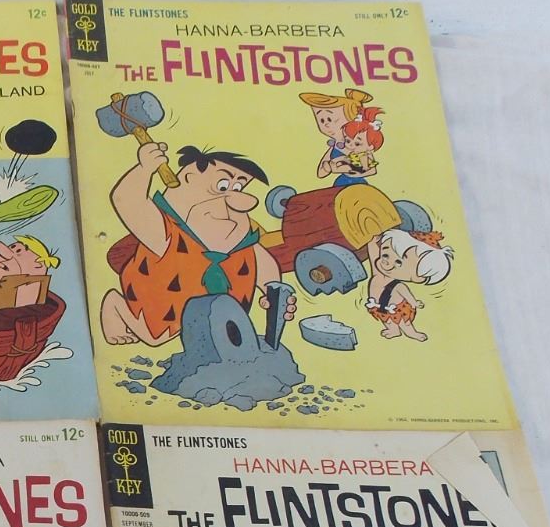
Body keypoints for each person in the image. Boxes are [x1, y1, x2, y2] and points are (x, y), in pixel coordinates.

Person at [100, 144, 294, 347]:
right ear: (188, 177)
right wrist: (144, 169)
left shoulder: (242, 240)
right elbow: (127, 201)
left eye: (238, 187)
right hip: (163, 305)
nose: (239, 198)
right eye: (222, 186)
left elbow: (264, 267)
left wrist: (274, 294)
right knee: (155, 338)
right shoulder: (166, 229)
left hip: (221, 316)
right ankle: (116, 306)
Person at [364, 228, 453, 342]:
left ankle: (412, 333)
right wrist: (372, 242)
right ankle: (394, 331)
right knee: (388, 322)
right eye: (385, 255)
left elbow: (406, 294)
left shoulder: (398, 285)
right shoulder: (378, 273)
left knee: (405, 323)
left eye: (398, 262)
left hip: (397, 308)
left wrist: (414, 302)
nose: (387, 262)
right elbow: (373, 257)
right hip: (379, 307)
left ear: (418, 277)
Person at [300, 89, 376, 182]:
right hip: (341, 183)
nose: (326, 125)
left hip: (358, 184)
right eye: (322, 121)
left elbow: (372, 170)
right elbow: (320, 173)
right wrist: (328, 168)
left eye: (329, 119)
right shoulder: (335, 146)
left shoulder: (359, 145)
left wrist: (357, 172)